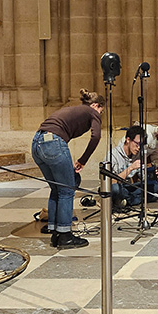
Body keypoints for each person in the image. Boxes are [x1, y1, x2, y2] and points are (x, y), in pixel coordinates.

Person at [32, 89, 104, 249]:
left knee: (57, 188)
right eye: (101, 110)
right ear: (96, 105)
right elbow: (96, 136)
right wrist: (83, 160)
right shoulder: (92, 111)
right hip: (53, 143)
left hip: (37, 143)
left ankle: (54, 230)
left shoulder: (73, 109)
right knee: (67, 190)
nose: (100, 114)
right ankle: (65, 236)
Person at [104, 125, 148, 207]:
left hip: (129, 187)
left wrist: (149, 173)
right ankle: (131, 199)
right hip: (118, 186)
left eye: (141, 145)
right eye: (137, 144)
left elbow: (140, 179)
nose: (138, 148)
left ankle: (126, 201)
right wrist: (130, 168)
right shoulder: (113, 155)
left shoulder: (138, 154)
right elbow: (110, 181)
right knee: (115, 189)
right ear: (128, 140)